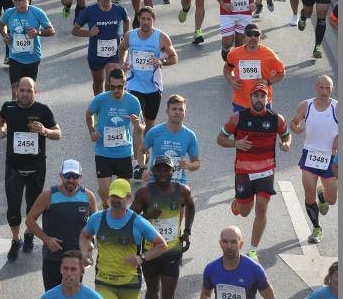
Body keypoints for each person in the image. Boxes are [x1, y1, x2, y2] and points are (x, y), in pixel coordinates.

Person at [217, 84, 292, 260]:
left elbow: (286, 135)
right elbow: (220, 139)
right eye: (256, 96)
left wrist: (287, 143)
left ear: (267, 99)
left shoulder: (277, 119)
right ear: (250, 98)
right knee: (245, 212)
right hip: (244, 170)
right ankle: (238, 203)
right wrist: (235, 143)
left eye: (262, 96)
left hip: (266, 170)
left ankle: (252, 250)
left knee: (261, 208)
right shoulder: (237, 118)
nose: (259, 99)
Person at [0, 77, 61, 261]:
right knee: (13, 208)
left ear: (35, 92)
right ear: (17, 91)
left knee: (33, 207)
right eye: (21, 90)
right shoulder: (8, 107)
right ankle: (16, 239)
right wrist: (0, 130)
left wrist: (45, 132)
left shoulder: (43, 110)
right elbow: (0, 120)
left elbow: (58, 133)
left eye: (29, 90)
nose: (24, 94)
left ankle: (29, 233)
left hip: (36, 168)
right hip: (14, 168)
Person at [79, 177, 167, 299]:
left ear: (128, 198)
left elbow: (162, 245)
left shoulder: (138, 222)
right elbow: (84, 235)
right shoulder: (97, 218)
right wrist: (84, 253)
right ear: (108, 197)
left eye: (119, 197)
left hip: (130, 283)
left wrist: (142, 257)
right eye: (113, 196)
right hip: (104, 281)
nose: (115, 200)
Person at [119, 7, 178, 177]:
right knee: (139, 125)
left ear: (153, 20)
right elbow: (122, 48)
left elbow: (174, 57)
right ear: (139, 19)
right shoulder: (131, 35)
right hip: (134, 85)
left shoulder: (161, 37)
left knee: (149, 127)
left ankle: (143, 154)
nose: (145, 22)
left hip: (153, 87)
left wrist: (161, 61)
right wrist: (123, 63)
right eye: (143, 19)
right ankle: (140, 164)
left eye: (148, 19)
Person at [25, 159, 97, 291]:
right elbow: (29, 220)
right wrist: (47, 240)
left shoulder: (88, 197)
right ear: (60, 175)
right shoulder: (48, 195)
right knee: (53, 294)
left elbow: (94, 226)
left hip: (75, 260)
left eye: (75, 176)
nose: (71, 180)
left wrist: (88, 249)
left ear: (80, 176)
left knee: (72, 294)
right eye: (67, 176)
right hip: (53, 257)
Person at [131, 156, 195, 299]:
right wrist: (148, 216)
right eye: (158, 169)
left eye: (167, 169)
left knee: (168, 295)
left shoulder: (183, 191)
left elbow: (190, 206)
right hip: (150, 251)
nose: (163, 173)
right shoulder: (144, 193)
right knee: (152, 291)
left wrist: (187, 231)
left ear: (173, 171)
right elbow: (129, 219)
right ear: (153, 171)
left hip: (172, 250)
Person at [290, 75, 338, 244]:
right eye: (322, 87)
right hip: (309, 155)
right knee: (308, 193)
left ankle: (322, 195)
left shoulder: (337, 107)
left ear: (332, 89)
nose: (325, 91)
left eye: (328, 88)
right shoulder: (306, 105)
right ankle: (316, 228)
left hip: (330, 159)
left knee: (332, 200)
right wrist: (295, 127)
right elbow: (294, 121)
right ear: (316, 87)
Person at [85, 68, 143, 206]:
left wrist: (137, 125)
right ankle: (106, 207)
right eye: (113, 87)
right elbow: (88, 114)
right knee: (105, 191)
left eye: (120, 87)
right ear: (109, 84)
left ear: (125, 84)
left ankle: (119, 216)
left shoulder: (133, 102)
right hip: (103, 151)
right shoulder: (101, 99)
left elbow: (141, 128)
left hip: (124, 151)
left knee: (123, 193)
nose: (116, 90)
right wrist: (92, 131)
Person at [73, 0, 130, 95]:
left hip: (114, 54)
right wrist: (89, 33)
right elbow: (75, 30)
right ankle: (98, 103)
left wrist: (125, 36)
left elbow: (127, 20)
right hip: (96, 54)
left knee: (111, 83)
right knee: (98, 82)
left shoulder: (119, 10)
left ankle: (107, 106)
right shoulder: (89, 11)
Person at [0, 0, 55, 97]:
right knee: (15, 88)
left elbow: (51, 30)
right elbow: (1, 24)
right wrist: (5, 35)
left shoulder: (37, 12)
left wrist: (38, 32)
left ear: (28, 0)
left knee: (29, 89)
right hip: (15, 57)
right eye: (17, 0)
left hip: (33, 57)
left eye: (23, 0)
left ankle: (29, 111)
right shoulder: (9, 13)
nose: (20, 3)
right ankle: (15, 112)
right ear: (13, 2)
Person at [200, 226, 275, 299]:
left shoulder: (255, 269)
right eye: (225, 241)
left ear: (241, 244)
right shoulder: (211, 269)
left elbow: (269, 296)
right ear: (220, 244)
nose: (229, 246)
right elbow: (205, 293)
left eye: (233, 242)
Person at [141, 94, 200, 185]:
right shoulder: (155, 132)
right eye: (174, 109)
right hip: (155, 182)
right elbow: (141, 150)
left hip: (178, 183)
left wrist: (188, 165)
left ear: (185, 112)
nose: (177, 112)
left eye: (181, 109)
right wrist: (143, 169)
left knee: (187, 195)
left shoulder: (190, 135)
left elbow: (196, 163)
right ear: (167, 111)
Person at [224, 23, 285, 110]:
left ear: (260, 36)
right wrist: (231, 79)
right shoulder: (234, 54)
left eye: (256, 34)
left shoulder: (269, 54)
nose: (253, 37)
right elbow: (227, 69)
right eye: (249, 34)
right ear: (244, 36)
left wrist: (268, 82)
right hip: (241, 103)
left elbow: (281, 73)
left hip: (263, 102)